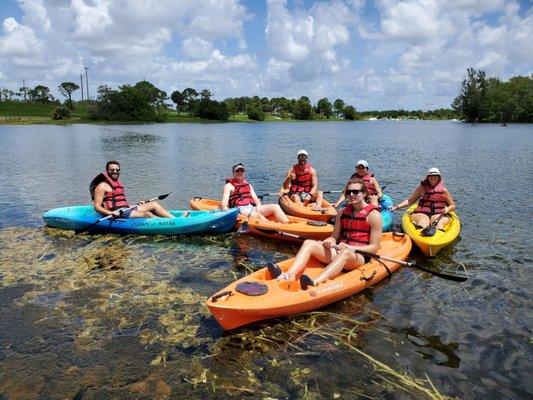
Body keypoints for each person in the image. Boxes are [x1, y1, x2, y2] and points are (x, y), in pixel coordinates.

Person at [268, 178, 382, 289]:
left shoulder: (374, 215)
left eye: (356, 192)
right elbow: (334, 237)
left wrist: (350, 248)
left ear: (364, 193)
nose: (351, 194)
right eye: (348, 192)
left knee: (346, 252)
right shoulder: (342, 213)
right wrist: (330, 241)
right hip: (339, 251)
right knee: (309, 243)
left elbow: (374, 248)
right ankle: (289, 275)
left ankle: (315, 282)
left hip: (359, 257)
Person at [90, 161, 173, 219]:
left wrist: (135, 205)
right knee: (147, 214)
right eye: (112, 170)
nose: (115, 171)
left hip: (125, 209)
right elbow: (97, 207)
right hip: (116, 213)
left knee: (154, 204)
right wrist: (111, 213)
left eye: (117, 170)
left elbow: (119, 202)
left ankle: (174, 219)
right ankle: (169, 225)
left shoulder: (118, 183)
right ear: (107, 171)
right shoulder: (102, 186)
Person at [221, 163, 289, 223]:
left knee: (275, 206)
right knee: (259, 216)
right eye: (237, 171)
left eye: (241, 171)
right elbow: (224, 200)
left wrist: (258, 208)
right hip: (239, 210)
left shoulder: (248, 185)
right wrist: (224, 208)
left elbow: (256, 200)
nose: (239, 173)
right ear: (233, 173)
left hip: (251, 207)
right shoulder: (229, 186)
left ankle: (287, 224)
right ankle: (275, 227)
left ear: (244, 173)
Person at [390, 167, 455, 230]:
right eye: (431, 175)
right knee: (423, 221)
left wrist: (448, 208)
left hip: (438, 214)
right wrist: (397, 207)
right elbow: (410, 200)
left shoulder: (444, 191)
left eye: (436, 175)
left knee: (438, 223)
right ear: (428, 178)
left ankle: (438, 235)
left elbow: (452, 205)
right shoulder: (421, 189)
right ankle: (420, 231)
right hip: (422, 213)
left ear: (439, 178)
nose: (433, 177)